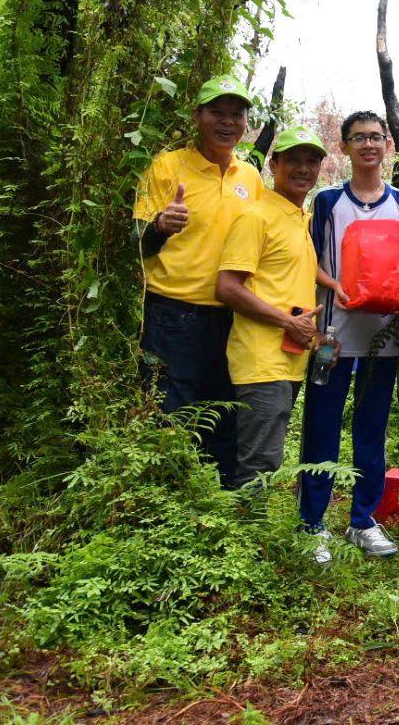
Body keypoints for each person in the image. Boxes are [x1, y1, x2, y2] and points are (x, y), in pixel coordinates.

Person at [299, 112, 399, 562]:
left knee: (371, 431)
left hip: (382, 340)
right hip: (332, 337)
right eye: (358, 138)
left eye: (375, 137)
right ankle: (312, 524)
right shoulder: (328, 202)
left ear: (387, 144)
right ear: (345, 146)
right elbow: (305, 258)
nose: (368, 144)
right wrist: (332, 287)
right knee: (321, 429)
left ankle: (361, 521)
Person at [133, 75, 264, 488]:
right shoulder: (167, 167)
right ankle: (163, 503)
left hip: (233, 316)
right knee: (170, 415)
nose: (227, 123)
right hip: (174, 314)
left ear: (246, 123)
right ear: (197, 116)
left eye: (236, 115)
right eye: (217, 113)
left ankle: (217, 510)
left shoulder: (251, 177)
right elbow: (134, 244)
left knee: (224, 414)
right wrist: (159, 225)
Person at [213, 127, 327, 486]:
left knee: (266, 458)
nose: (303, 169)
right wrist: (287, 323)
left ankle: (250, 536)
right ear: (273, 164)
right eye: (293, 160)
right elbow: (227, 287)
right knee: (258, 465)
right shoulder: (256, 216)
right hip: (262, 360)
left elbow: (286, 285)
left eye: (312, 161)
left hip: (290, 358)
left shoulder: (301, 220)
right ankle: (250, 539)